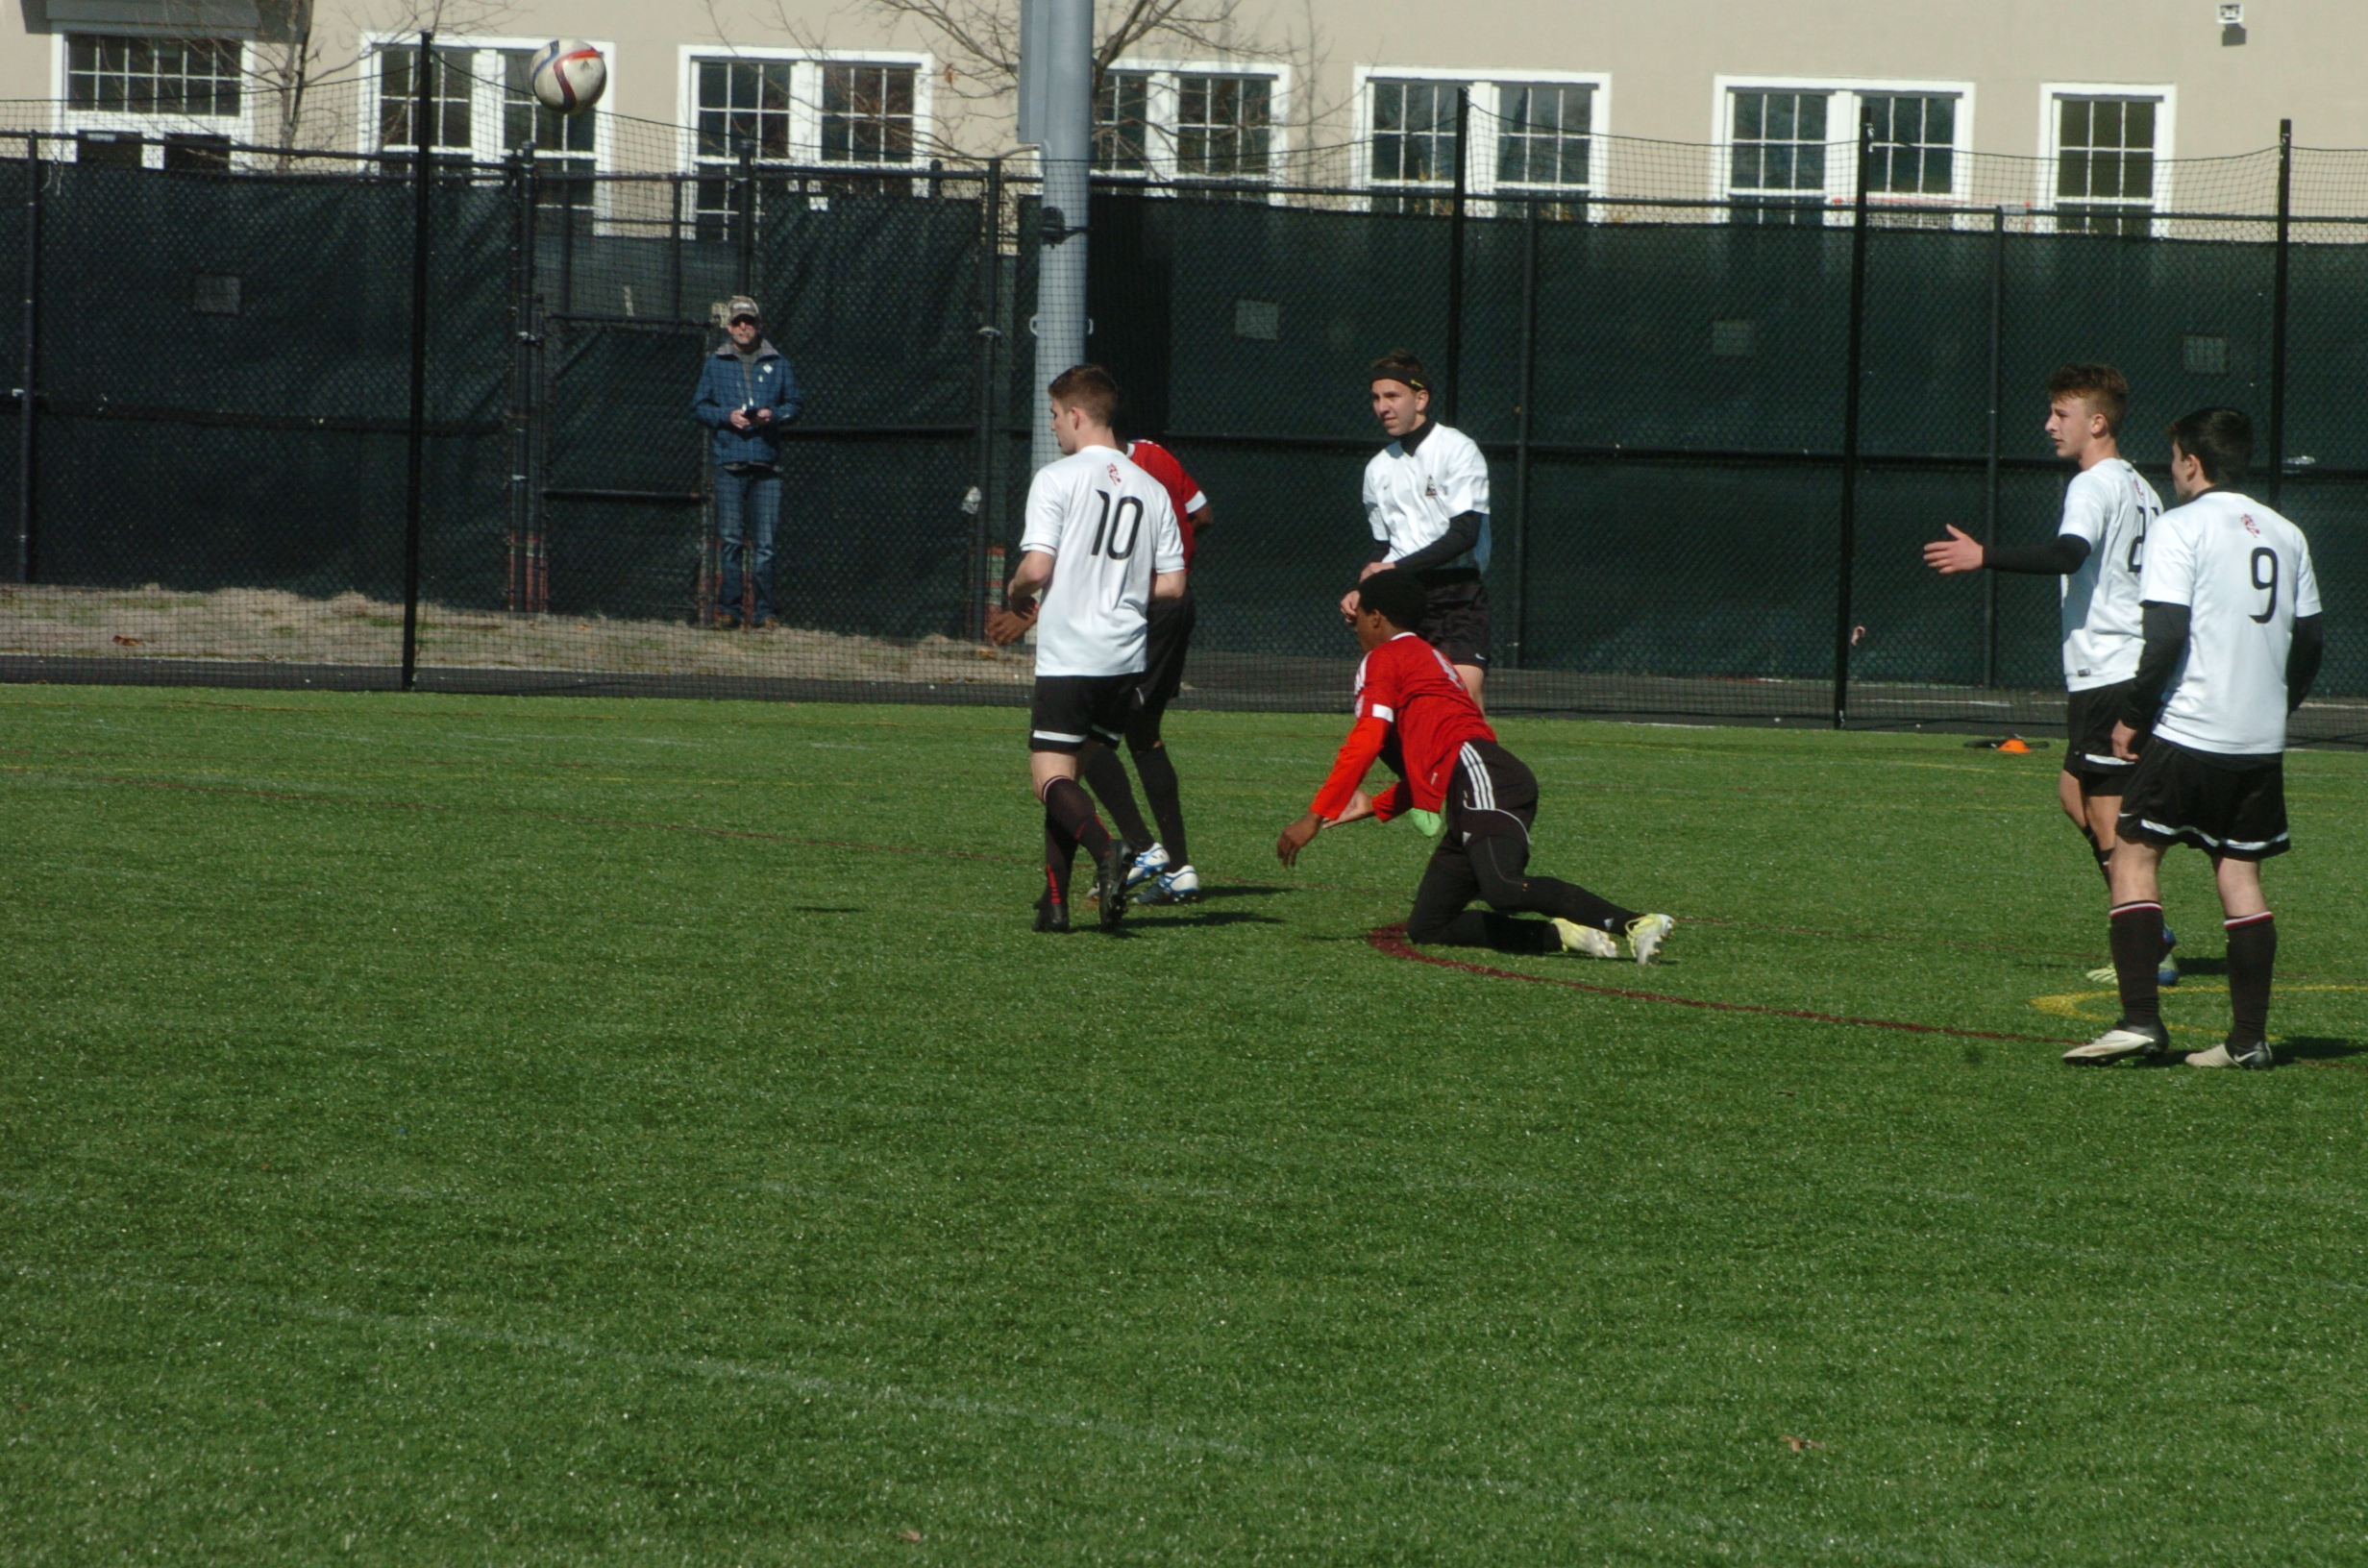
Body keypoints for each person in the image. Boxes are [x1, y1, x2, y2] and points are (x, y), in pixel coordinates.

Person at [2062, 407, 2324, 1068]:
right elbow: (2311, 642)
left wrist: (2134, 716)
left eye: (2175, 456)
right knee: (2239, 873)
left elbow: (2166, 635)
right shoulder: (2287, 532)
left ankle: (2140, 1020)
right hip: (2258, 741)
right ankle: (2248, 1040)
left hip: (2189, 729)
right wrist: (2277, 707)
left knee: (2132, 856)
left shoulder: (2180, 527)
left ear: (2191, 462)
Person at [1922, 363, 2178, 987]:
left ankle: (2146, 946)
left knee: (2110, 817)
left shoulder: (2093, 484)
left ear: (2098, 422)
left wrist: (1984, 556)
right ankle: (2148, 928)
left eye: (2061, 414)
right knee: (2073, 794)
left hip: (2110, 671)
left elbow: (2068, 554)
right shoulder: (2140, 486)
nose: (2048, 425)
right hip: (2114, 669)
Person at [1277, 569, 1672, 962]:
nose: (1356, 628)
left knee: (1502, 888)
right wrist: (1375, 805)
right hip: (1475, 781)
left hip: (1482, 775)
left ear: (1376, 617)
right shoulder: (1426, 657)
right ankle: (1562, 935)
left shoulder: (1386, 657)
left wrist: (1314, 817)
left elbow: (1368, 738)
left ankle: (1636, 923)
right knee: (1430, 924)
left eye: (1359, 616)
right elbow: (1436, 762)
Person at [988, 365, 1187, 932]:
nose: (1052, 426)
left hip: (1071, 655)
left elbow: (1037, 568)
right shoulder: (1151, 487)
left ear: (1076, 415)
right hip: (1124, 659)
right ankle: (1055, 904)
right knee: (1069, 780)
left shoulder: (1057, 478)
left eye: (1054, 415)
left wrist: (1015, 592)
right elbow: (1173, 585)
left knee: (1047, 780)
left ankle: (1111, 850)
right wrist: (1117, 586)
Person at [1338, 350, 1493, 712]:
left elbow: (1465, 534)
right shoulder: (1377, 468)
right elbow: (1383, 547)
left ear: (1420, 399)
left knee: (1463, 695)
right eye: (1376, 398)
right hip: (1402, 597)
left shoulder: (1457, 449)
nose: (1382, 408)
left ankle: (1475, 753)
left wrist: (1393, 570)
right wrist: (1362, 589)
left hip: (1456, 592)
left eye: (1393, 396)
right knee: (1395, 701)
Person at [692, 296, 802, 629]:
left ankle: (765, 614)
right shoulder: (716, 363)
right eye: (738, 322)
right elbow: (699, 407)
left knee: (765, 544)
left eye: (749, 322)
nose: (743, 327)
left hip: (767, 466)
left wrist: (773, 415)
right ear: (729, 326)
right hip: (730, 463)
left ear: (758, 325)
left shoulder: (778, 363)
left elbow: (795, 405)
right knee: (731, 540)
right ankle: (729, 611)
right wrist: (727, 417)